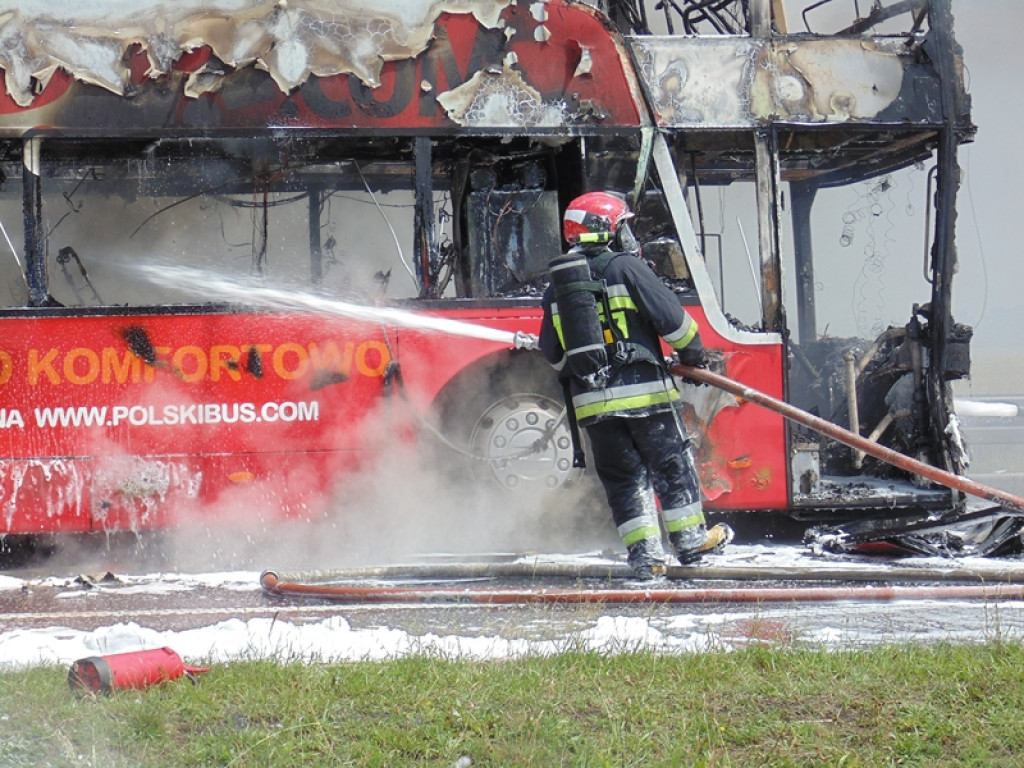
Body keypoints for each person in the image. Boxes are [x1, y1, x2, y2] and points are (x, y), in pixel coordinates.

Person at [538, 191, 732, 579]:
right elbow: (674, 322)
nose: (628, 234)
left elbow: (554, 354)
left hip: (593, 406)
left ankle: (646, 558)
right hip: (646, 396)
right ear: (607, 230)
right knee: (671, 466)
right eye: (623, 225)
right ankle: (690, 542)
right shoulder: (627, 268)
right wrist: (693, 356)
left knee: (624, 480)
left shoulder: (557, 287)